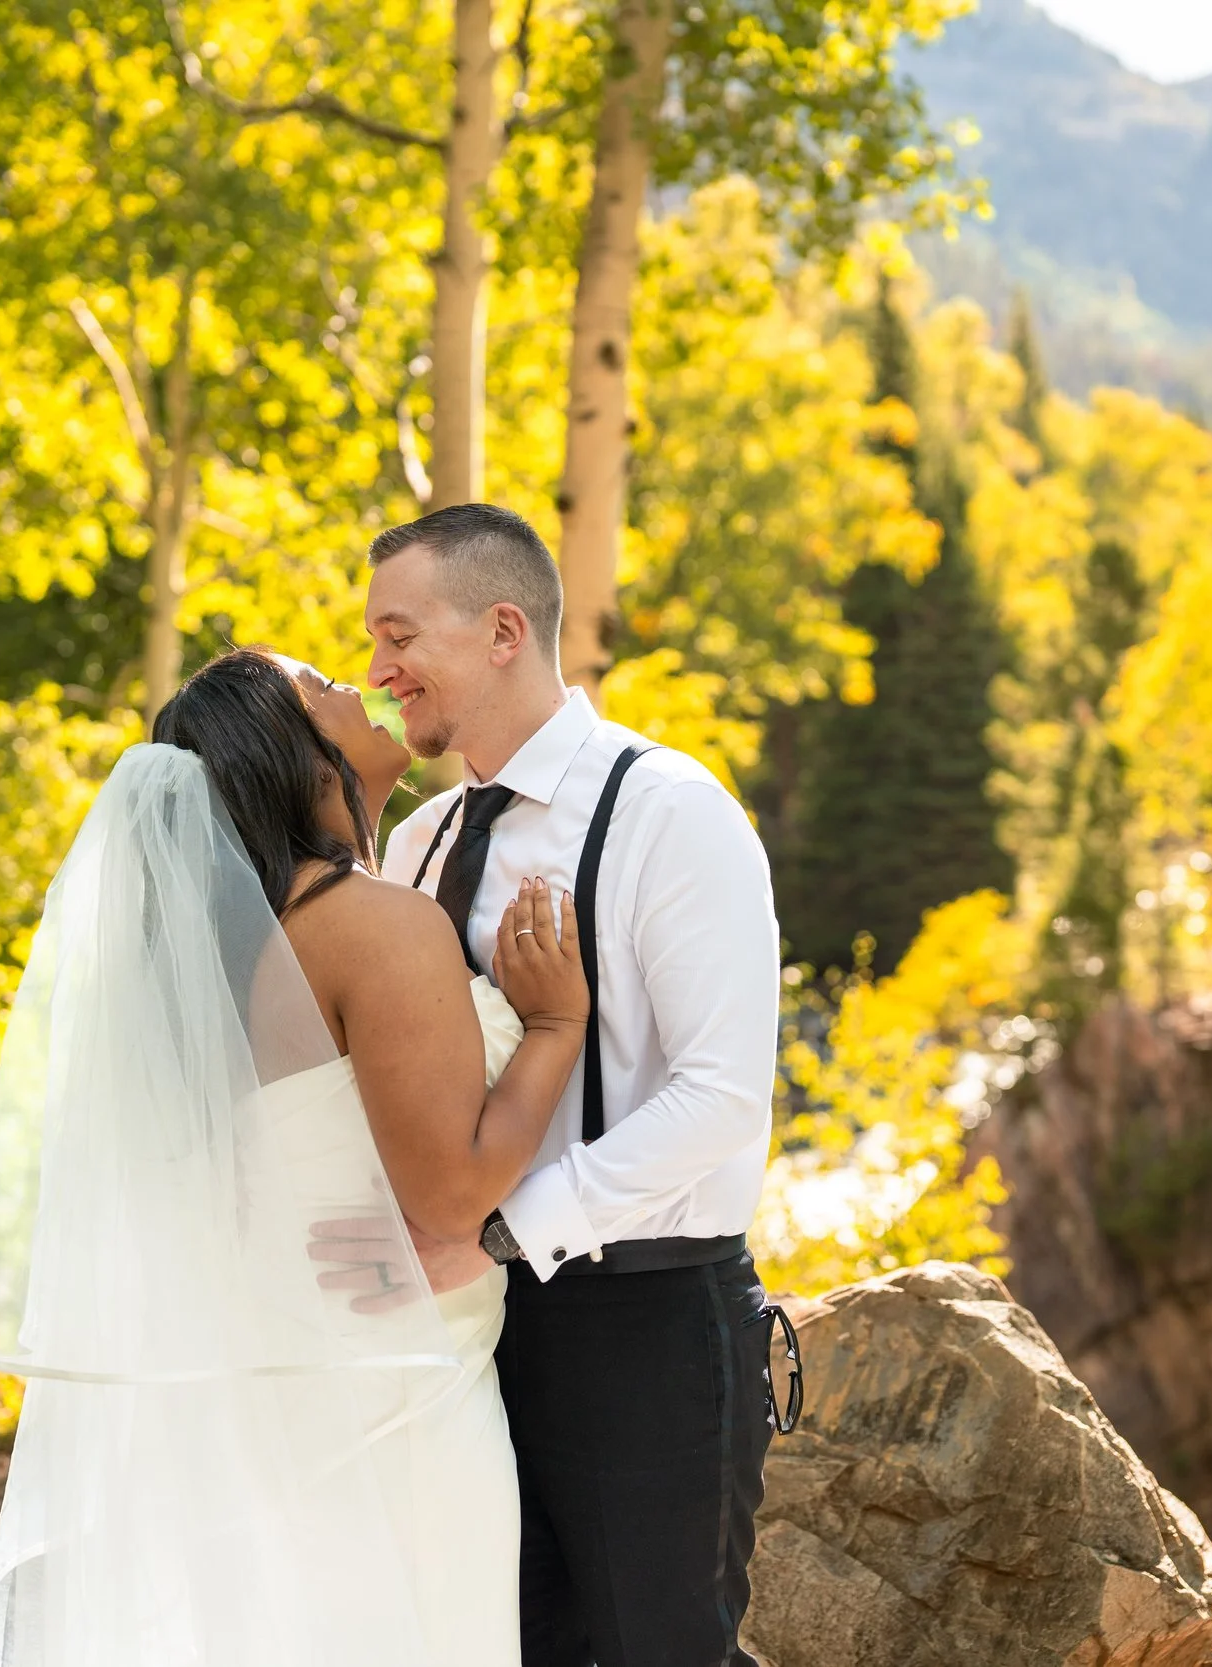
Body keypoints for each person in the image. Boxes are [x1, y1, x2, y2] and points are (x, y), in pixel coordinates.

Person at [0, 645, 594, 1667]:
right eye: (321, 691)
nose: (358, 684)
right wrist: (555, 1025)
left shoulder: (212, 955)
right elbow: (453, 1193)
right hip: (398, 1394)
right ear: (281, 756)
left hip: (276, 1383)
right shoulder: (375, 926)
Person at [367, 503, 784, 1667]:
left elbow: (721, 1097)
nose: (377, 668)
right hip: (463, 1337)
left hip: (643, 1328)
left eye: (400, 634)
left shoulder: (670, 812)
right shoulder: (422, 841)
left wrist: (501, 1232)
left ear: (503, 629)